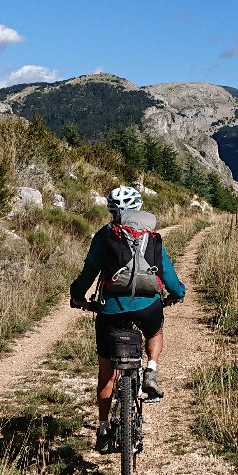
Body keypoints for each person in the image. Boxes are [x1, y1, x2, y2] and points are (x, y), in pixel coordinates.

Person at [69, 185, 186, 452]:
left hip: (111, 310)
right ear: (139, 208)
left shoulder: (105, 235)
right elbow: (168, 275)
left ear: (113, 210)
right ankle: (151, 370)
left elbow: (88, 273)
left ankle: (102, 429)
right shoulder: (152, 236)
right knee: (155, 332)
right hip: (149, 308)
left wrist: (77, 297)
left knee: (106, 374)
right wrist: (177, 295)